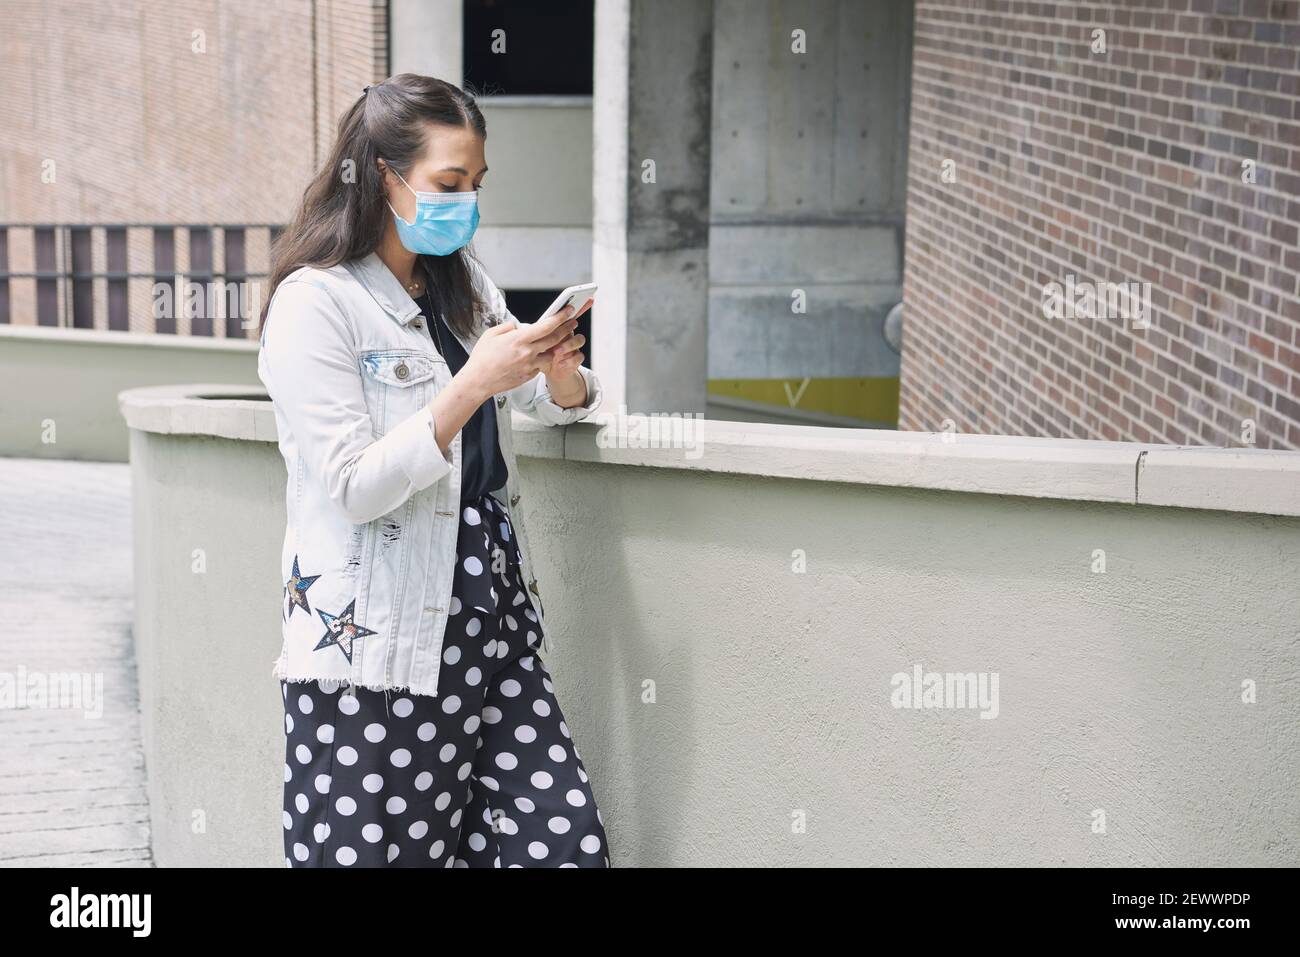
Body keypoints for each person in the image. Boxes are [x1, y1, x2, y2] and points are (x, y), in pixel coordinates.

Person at [256, 73, 610, 868]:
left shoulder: (461, 285)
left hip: (493, 607)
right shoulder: (316, 305)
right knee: (378, 855)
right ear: (380, 175)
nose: (466, 203)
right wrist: (471, 384)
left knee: (561, 843)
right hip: (377, 636)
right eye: (448, 184)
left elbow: (552, 405)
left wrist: (560, 377)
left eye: (475, 185)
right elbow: (354, 484)